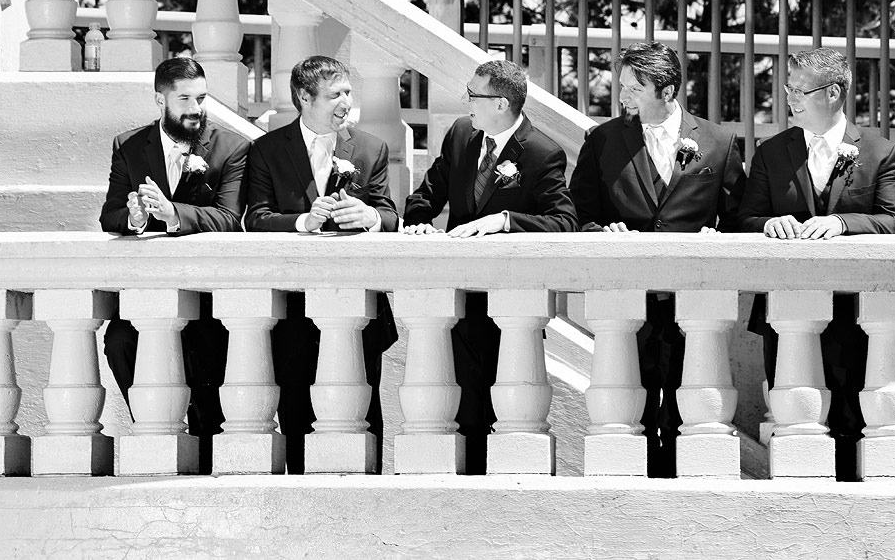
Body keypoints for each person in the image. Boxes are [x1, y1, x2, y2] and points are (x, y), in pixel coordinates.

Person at [569, 41, 746, 477]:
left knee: (693, 397)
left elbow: (742, 218)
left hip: (696, 297)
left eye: (633, 88)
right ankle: (632, 479)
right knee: (632, 396)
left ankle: (690, 483)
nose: (622, 97)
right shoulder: (603, 140)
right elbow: (577, 215)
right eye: (622, 87)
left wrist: (718, 236)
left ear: (667, 91)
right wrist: (601, 231)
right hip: (626, 298)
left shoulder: (720, 143)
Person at [738, 47, 895, 480]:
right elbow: (743, 218)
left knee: (851, 411)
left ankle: (851, 493)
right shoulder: (772, 152)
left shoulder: (879, 151)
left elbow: (894, 222)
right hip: (783, 307)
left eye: (799, 90)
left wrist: (841, 222)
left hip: (852, 308)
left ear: (833, 93)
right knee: (792, 408)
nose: (789, 99)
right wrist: (769, 222)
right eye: (788, 89)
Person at [403, 58, 577, 473]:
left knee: (506, 406)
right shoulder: (463, 134)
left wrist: (505, 221)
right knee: (459, 403)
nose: (467, 103)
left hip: (511, 305)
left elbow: (564, 220)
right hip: (457, 298)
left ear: (500, 104)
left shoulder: (541, 153)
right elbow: (428, 193)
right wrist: (419, 224)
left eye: (473, 96)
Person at [244, 55, 398, 473]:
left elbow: (390, 214)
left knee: (364, 410)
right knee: (295, 409)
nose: (345, 102)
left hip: (359, 307)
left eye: (348, 91)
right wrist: (302, 222)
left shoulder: (370, 148)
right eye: (334, 95)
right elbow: (254, 219)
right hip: (293, 310)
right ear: (304, 97)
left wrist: (370, 218)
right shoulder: (266, 150)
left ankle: (368, 495)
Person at [99, 57, 249, 468]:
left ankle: (206, 450)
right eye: (184, 98)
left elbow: (230, 217)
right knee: (119, 342)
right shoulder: (128, 145)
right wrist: (133, 217)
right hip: (149, 292)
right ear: (159, 99)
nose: (195, 108)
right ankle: (155, 434)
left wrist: (174, 215)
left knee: (202, 353)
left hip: (207, 296)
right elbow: (109, 215)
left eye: (201, 98)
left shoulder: (232, 147)